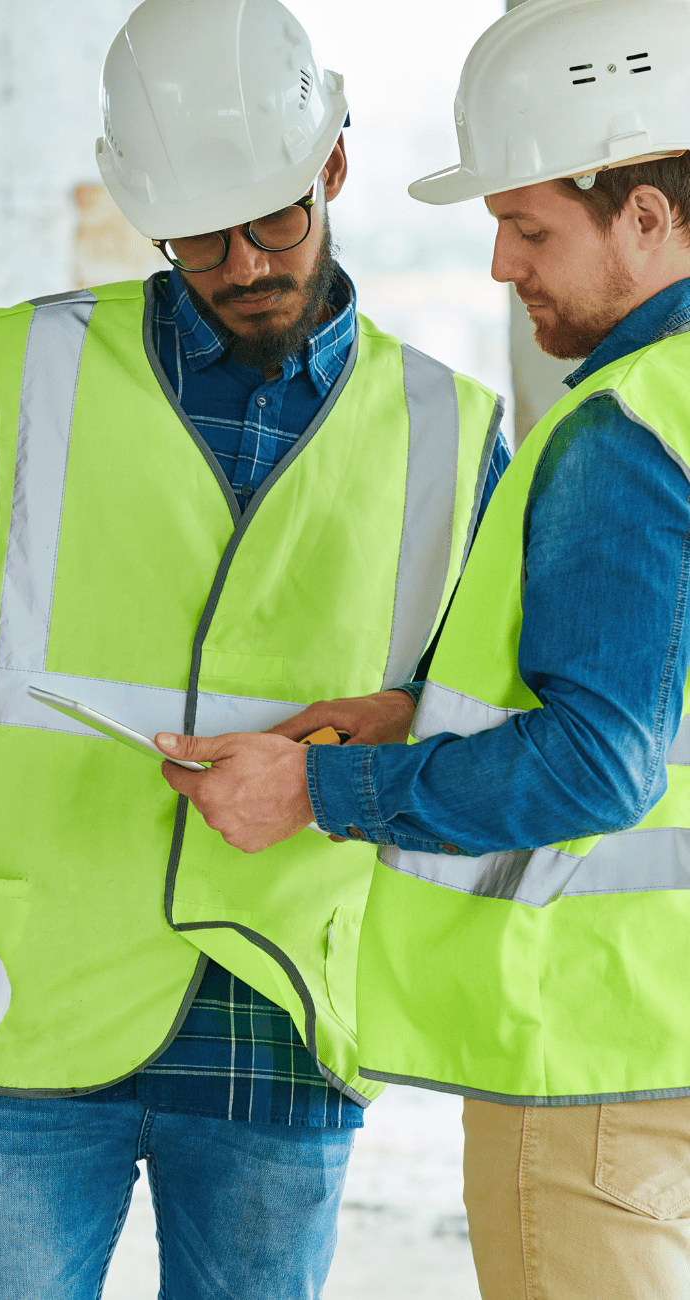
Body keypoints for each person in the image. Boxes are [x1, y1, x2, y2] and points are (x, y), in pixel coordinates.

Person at [0, 0, 507, 1295]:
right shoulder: (34, 369)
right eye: (203, 234)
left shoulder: (448, 430)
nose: (246, 259)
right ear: (149, 216)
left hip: (281, 1002)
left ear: (332, 166)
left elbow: (487, 714)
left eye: (274, 216)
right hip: (24, 989)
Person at [160, 1, 690, 1296]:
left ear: (648, 218)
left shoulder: (621, 429)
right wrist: (415, 718)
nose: (504, 266)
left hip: (594, 1064)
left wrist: (318, 789)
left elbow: (600, 766)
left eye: (528, 226)